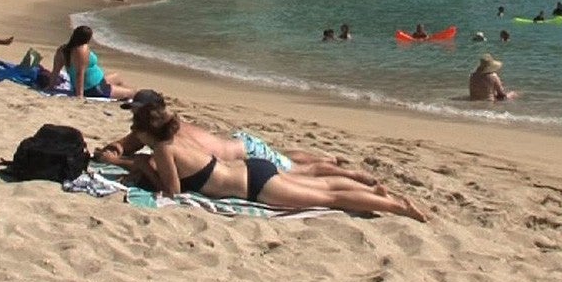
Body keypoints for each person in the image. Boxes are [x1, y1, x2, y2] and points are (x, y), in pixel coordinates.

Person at [117, 99, 426, 221]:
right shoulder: (177, 136)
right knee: (323, 181)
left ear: (146, 132)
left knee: (329, 196)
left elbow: (172, 192)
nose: (134, 134)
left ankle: (399, 207)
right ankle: (374, 193)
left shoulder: (162, 150)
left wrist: (145, 167)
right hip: (252, 167)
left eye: (136, 129)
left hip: (254, 184)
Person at [96, 90, 376, 185]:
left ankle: (351, 174)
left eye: (136, 111)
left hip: (246, 154)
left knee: (302, 170)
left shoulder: (166, 136)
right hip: (241, 145)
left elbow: (159, 165)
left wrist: (122, 162)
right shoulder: (163, 126)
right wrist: (116, 149)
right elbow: (129, 142)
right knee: (285, 156)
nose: (133, 118)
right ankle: (328, 156)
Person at [58, 25, 134, 100]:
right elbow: (79, 73)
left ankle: (121, 93)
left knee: (117, 77)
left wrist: (50, 86)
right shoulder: (81, 50)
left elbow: (56, 70)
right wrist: (79, 95)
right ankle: (126, 94)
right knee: (133, 93)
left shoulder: (63, 49)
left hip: (97, 82)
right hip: (94, 88)